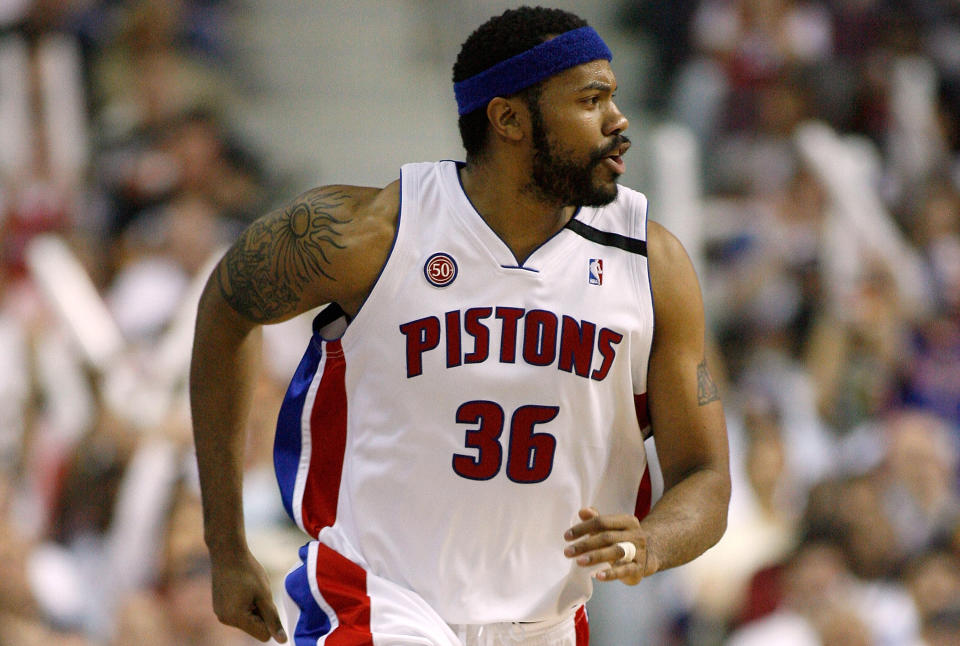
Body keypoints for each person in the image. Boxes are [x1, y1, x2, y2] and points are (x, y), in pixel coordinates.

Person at [189, 6, 730, 645]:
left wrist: (653, 542)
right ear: (508, 119)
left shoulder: (651, 265)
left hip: (548, 620)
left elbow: (705, 476)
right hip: (378, 600)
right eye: (590, 100)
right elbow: (227, 305)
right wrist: (226, 548)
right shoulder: (372, 235)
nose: (618, 120)